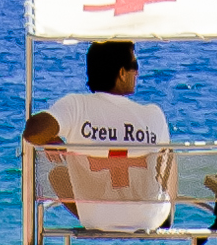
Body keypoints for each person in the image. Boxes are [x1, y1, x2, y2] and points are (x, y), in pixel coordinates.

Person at [24, 40, 172, 231]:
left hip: (95, 219)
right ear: (121, 73)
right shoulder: (153, 114)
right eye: (135, 65)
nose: (138, 72)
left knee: (57, 174)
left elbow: (32, 132)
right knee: (167, 158)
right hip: (149, 217)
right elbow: (164, 170)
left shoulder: (76, 106)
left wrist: (51, 139)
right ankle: (168, 216)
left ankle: (103, 214)